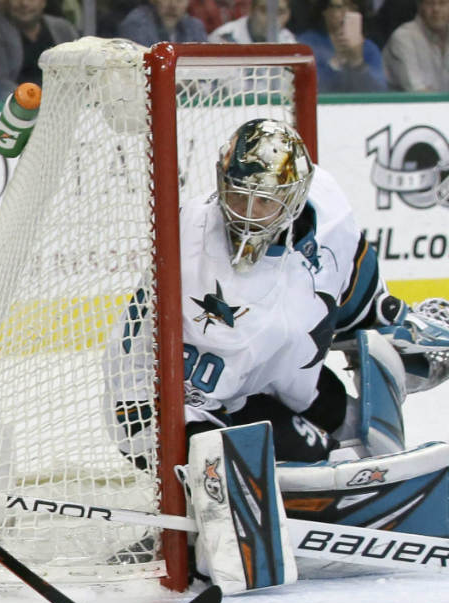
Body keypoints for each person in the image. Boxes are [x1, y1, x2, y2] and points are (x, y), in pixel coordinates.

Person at [107, 118, 449, 471]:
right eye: (240, 197)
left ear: (297, 196)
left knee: (365, 449)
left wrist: (401, 331)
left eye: (266, 203)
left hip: (278, 384)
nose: (250, 218)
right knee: (323, 467)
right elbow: (132, 367)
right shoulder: (189, 245)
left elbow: (359, 306)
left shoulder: (328, 209)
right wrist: (189, 447)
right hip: (189, 411)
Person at [0, 0, 78, 90]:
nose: (24, 3)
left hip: (65, 102)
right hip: (17, 105)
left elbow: (81, 70)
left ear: (43, 2)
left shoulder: (63, 28)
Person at [297, 0, 386, 92]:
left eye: (352, 8)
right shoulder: (307, 44)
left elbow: (380, 92)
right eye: (339, 7)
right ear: (325, 10)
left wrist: (357, 61)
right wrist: (336, 62)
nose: (345, 13)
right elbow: (308, 89)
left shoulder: (369, 48)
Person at [382, 0, 449, 92]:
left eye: (443, 3)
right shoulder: (403, 37)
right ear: (420, 7)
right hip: (406, 105)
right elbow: (418, 93)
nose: (436, 9)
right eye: (429, 3)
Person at [117, 0, 210, 45]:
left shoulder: (195, 26)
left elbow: (208, 74)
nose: (173, 5)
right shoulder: (136, 24)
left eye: (180, 0)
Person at [208, 0, 295, 40]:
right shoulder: (223, 37)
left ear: (289, 14)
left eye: (279, 12)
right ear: (251, 10)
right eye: (264, 10)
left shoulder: (288, 38)